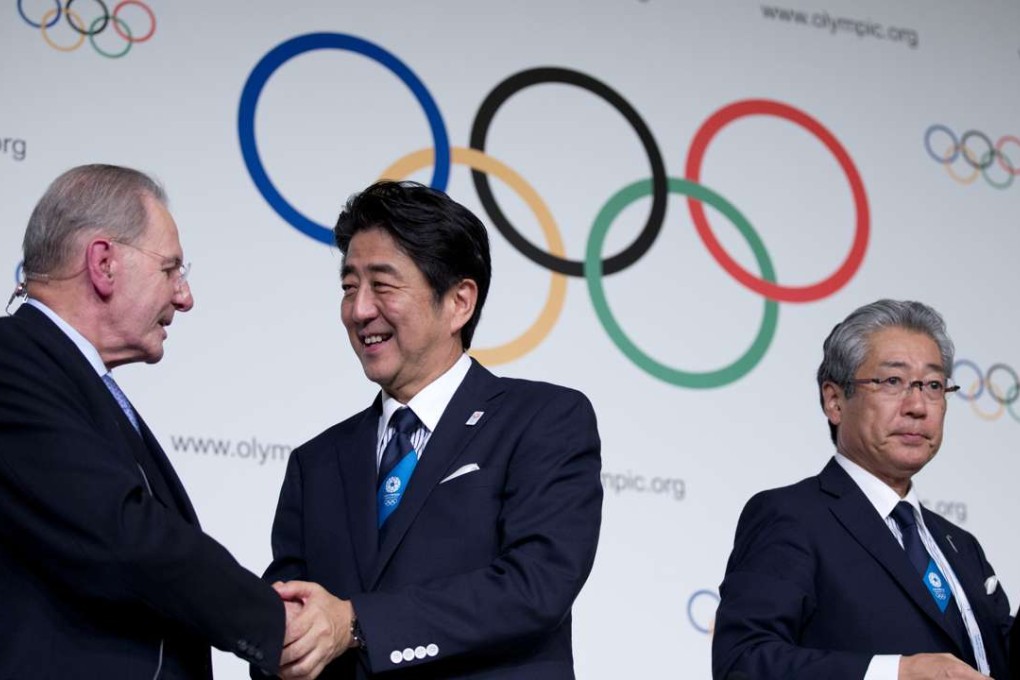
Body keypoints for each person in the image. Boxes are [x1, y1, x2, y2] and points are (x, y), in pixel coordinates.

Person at [263, 180, 603, 679]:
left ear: (459, 302)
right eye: (349, 286)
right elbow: (285, 629)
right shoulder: (317, 463)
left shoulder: (543, 419)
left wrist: (356, 623)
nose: (359, 310)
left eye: (382, 284)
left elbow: (537, 586)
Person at [0, 164, 288, 678]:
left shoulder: (71, 381)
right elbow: (124, 535)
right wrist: (278, 623)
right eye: (170, 269)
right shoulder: (10, 360)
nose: (185, 296)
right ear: (103, 263)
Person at [712, 299, 1012, 680]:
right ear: (834, 401)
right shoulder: (792, 516)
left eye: (934, 385)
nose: (918, 405)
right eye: (892, 382)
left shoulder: (960, 546)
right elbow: (743, 663)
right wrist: (898, 673)